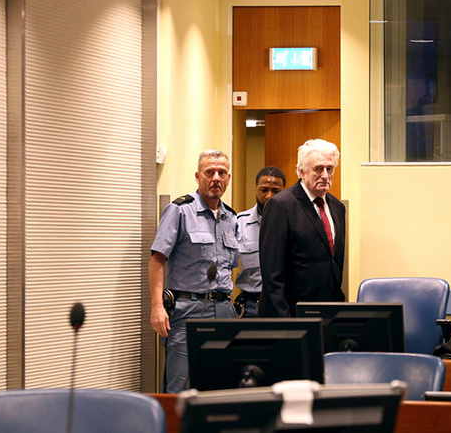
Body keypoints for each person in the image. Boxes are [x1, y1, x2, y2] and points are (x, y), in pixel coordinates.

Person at [148, 150, 240, 393]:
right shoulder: (179, 210)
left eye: (222, 173)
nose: (216, 178)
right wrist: (157, 306)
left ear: (228, 178)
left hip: (224, 310)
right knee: (181, 386)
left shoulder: (231, 218)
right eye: (210, 172)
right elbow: (157, 260)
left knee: (221, 384)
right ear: (198, 176)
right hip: (188, 311)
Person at [259, 139, 346, 317]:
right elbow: (272, 274)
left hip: (328, 313)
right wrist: (286, 323)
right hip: (292, 314)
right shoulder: (280, 205)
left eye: (329, 169)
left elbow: (333, 264)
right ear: (301, 171)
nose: (325, 175)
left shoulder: (337, 207)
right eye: (318, 169)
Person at [233, 166, 286, 317]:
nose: (269, 196)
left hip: (284, 303)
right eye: (264, 190)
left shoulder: (293, 223)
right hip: (251, 305)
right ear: (256, 189)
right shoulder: (240, 223)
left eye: (275, 191)